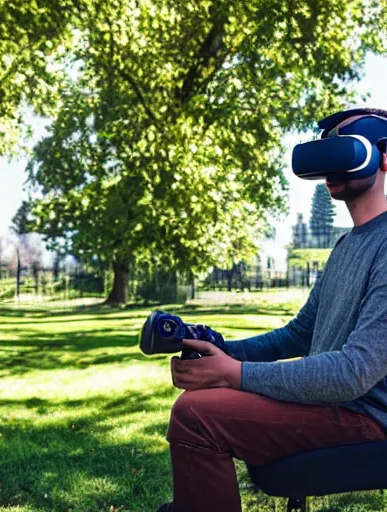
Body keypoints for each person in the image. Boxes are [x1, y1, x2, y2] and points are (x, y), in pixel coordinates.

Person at [156, 108, 387, 512]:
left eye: (343, 147)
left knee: (197, 414)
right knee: (198, 409)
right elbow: (299, 334)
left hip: (367, 417)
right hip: (334, 404)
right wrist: (225, 351)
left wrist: (236, 375)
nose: (330, 165)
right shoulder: (346, 246)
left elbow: (354, 373)